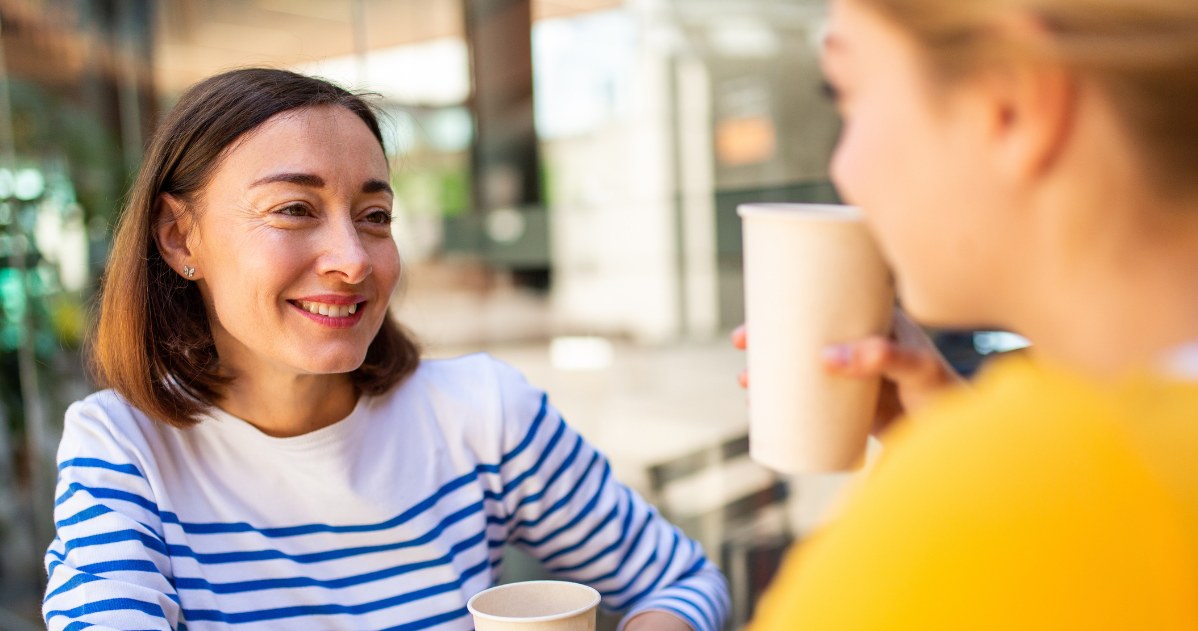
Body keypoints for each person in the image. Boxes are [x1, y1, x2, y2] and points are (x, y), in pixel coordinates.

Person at [43, 68, 728, 631]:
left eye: (374, 217)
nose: (351, 259)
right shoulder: (124, 448)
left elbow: (682, 579)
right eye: (294, 209)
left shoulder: (481, 415)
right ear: (179, 237)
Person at [743, 0, 1198, 627]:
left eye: (844, 91)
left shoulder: (966, 523)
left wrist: (956, 473)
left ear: (1010, 102)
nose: (842, 169)